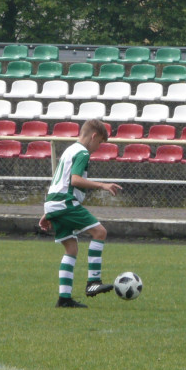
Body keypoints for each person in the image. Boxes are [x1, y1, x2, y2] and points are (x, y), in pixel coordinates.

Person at [38, 119, 121, 308]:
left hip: (54, 202)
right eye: (100, 142)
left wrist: (49, 212)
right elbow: (74, 180)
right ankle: (93, 282)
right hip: (66, 202)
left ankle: (64, 299)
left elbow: (60, 180)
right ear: (93, 136)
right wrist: (103, 185)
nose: (98, 147)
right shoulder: (83, 152)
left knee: (71, 248)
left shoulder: (70, 149)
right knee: (100, 233)